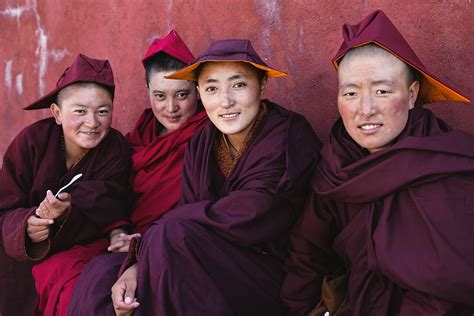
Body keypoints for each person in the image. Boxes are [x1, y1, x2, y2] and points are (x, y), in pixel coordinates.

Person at [103, 39, 322, 316]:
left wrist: (150, 243)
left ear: (263, 85)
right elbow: (190, 214)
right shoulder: (203, 141)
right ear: (200, 93)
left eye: (239, 85)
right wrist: (137, 263)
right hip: (215, 264)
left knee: (171, 236)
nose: (225, 101)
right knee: (105, 286)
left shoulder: (288, 134)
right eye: (212, 89)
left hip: (275, 275)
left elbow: (255, 212)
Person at [281, 10, 474, 316]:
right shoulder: (335, 166)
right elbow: (306, 254)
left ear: (412, 96)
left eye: (382, 91)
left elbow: (451, 285)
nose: (365, 110)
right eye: (351, 93)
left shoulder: (450, 167)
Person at [68, 30, 209, 314]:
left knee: (101, 281)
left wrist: (143, 248)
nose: (171, 108)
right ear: (147, 93)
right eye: (160, 96)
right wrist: (118, 233)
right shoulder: (139, 136)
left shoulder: (208, 135)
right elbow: (117, 193)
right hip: (131, 242)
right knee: (75, 272)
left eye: (182, 94)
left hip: (172, 245)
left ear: (197, 91)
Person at [0, 54, 131, 315]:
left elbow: (112, 204)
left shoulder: (116, 149)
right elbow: (5, 205)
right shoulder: (31, 142)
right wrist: (27, 225)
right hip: (21, 253)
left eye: (103, 112)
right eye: (80, 111)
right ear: (57, 113)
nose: (92, 123)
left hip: (76, 247)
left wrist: (66, 214)